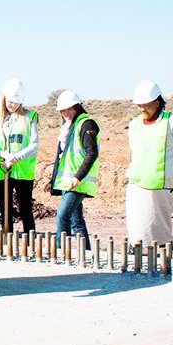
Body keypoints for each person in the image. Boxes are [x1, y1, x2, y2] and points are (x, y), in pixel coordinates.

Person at [125, 79, 173, 246]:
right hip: (137, 183)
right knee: (137, 224)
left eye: (145, 104)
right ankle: (137, 253)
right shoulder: (134, 124)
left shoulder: (172, 122)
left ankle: (163, 257)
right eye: (139, 105)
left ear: (157, 102)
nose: (142, 109)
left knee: (160, 227)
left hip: (160, 185)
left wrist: (168, 168)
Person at [0, 78, 39, 233]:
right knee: (5, 208)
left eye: (16, 102)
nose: (12, 105)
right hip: (2, 170)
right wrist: (3, 155)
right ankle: (7, 241)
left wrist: (15, 158)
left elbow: (34, 145)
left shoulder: (30, 118)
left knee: (25, 207)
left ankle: (30, 242)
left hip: (22, 171)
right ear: (4, 98)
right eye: (10, 101)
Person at [49, 90, 100, 249]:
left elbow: (91, 153)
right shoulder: (68, 127)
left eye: (69, 109)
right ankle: (87, 254)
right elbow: (63, 157)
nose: (66, 113)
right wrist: (53, 180)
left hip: (78, 181)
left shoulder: (86, 124)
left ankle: (61, 252)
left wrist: (78, 177)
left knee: (62, 216)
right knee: (76, 220)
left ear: (77, 107)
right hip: (68, 182)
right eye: (62, 110)